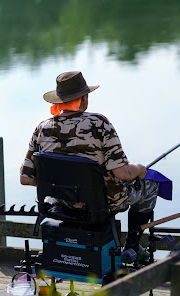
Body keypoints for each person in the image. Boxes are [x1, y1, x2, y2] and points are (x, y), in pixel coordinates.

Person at [20, 71, 158, 261]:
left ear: (60, 100)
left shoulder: (42, 128)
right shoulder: (99, 124)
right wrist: (139, 169)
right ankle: (132, 246)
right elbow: (123, 173)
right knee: (150, 186)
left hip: (61, 204)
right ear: (84, 98)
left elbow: (26, 178)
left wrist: (61, 183)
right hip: (101, 205)